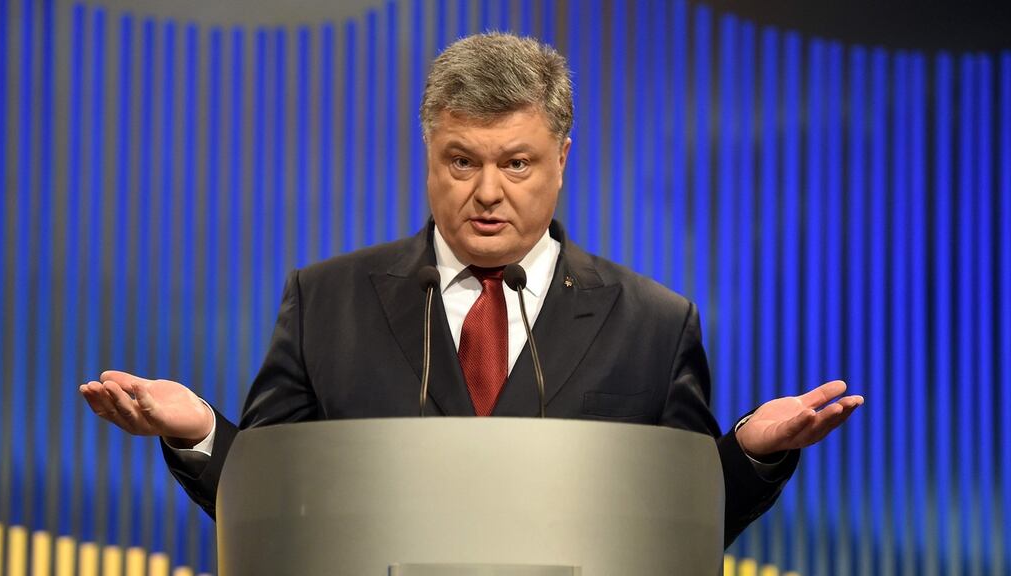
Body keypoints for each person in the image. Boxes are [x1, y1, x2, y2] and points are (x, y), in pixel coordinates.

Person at [80, 33, 862, 547]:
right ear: (428, 152)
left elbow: (676, 524)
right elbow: (274, 510)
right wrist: (198, 433)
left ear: (561, 157)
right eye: (462, 161)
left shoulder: (653, 323)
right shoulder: (327, 301)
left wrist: (750, 454)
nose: (487, 192)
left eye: (516, 164)